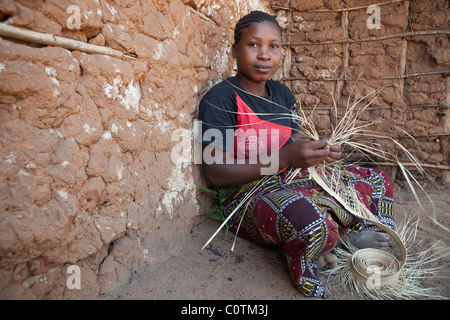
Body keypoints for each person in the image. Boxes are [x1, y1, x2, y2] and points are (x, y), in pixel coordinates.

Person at [197, 10, 394, 298]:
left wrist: (319, 153)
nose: (264, 55)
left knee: (376, 180)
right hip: (245, 196)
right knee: (306, 219)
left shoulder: (283, 95)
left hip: (290, 179)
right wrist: (286, 158)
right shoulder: (220, 99)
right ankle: (331, 242)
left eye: (273, 46)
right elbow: (215, 173)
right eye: (254, 45)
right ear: (234, 50)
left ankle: (350, 237)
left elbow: (293, 142)